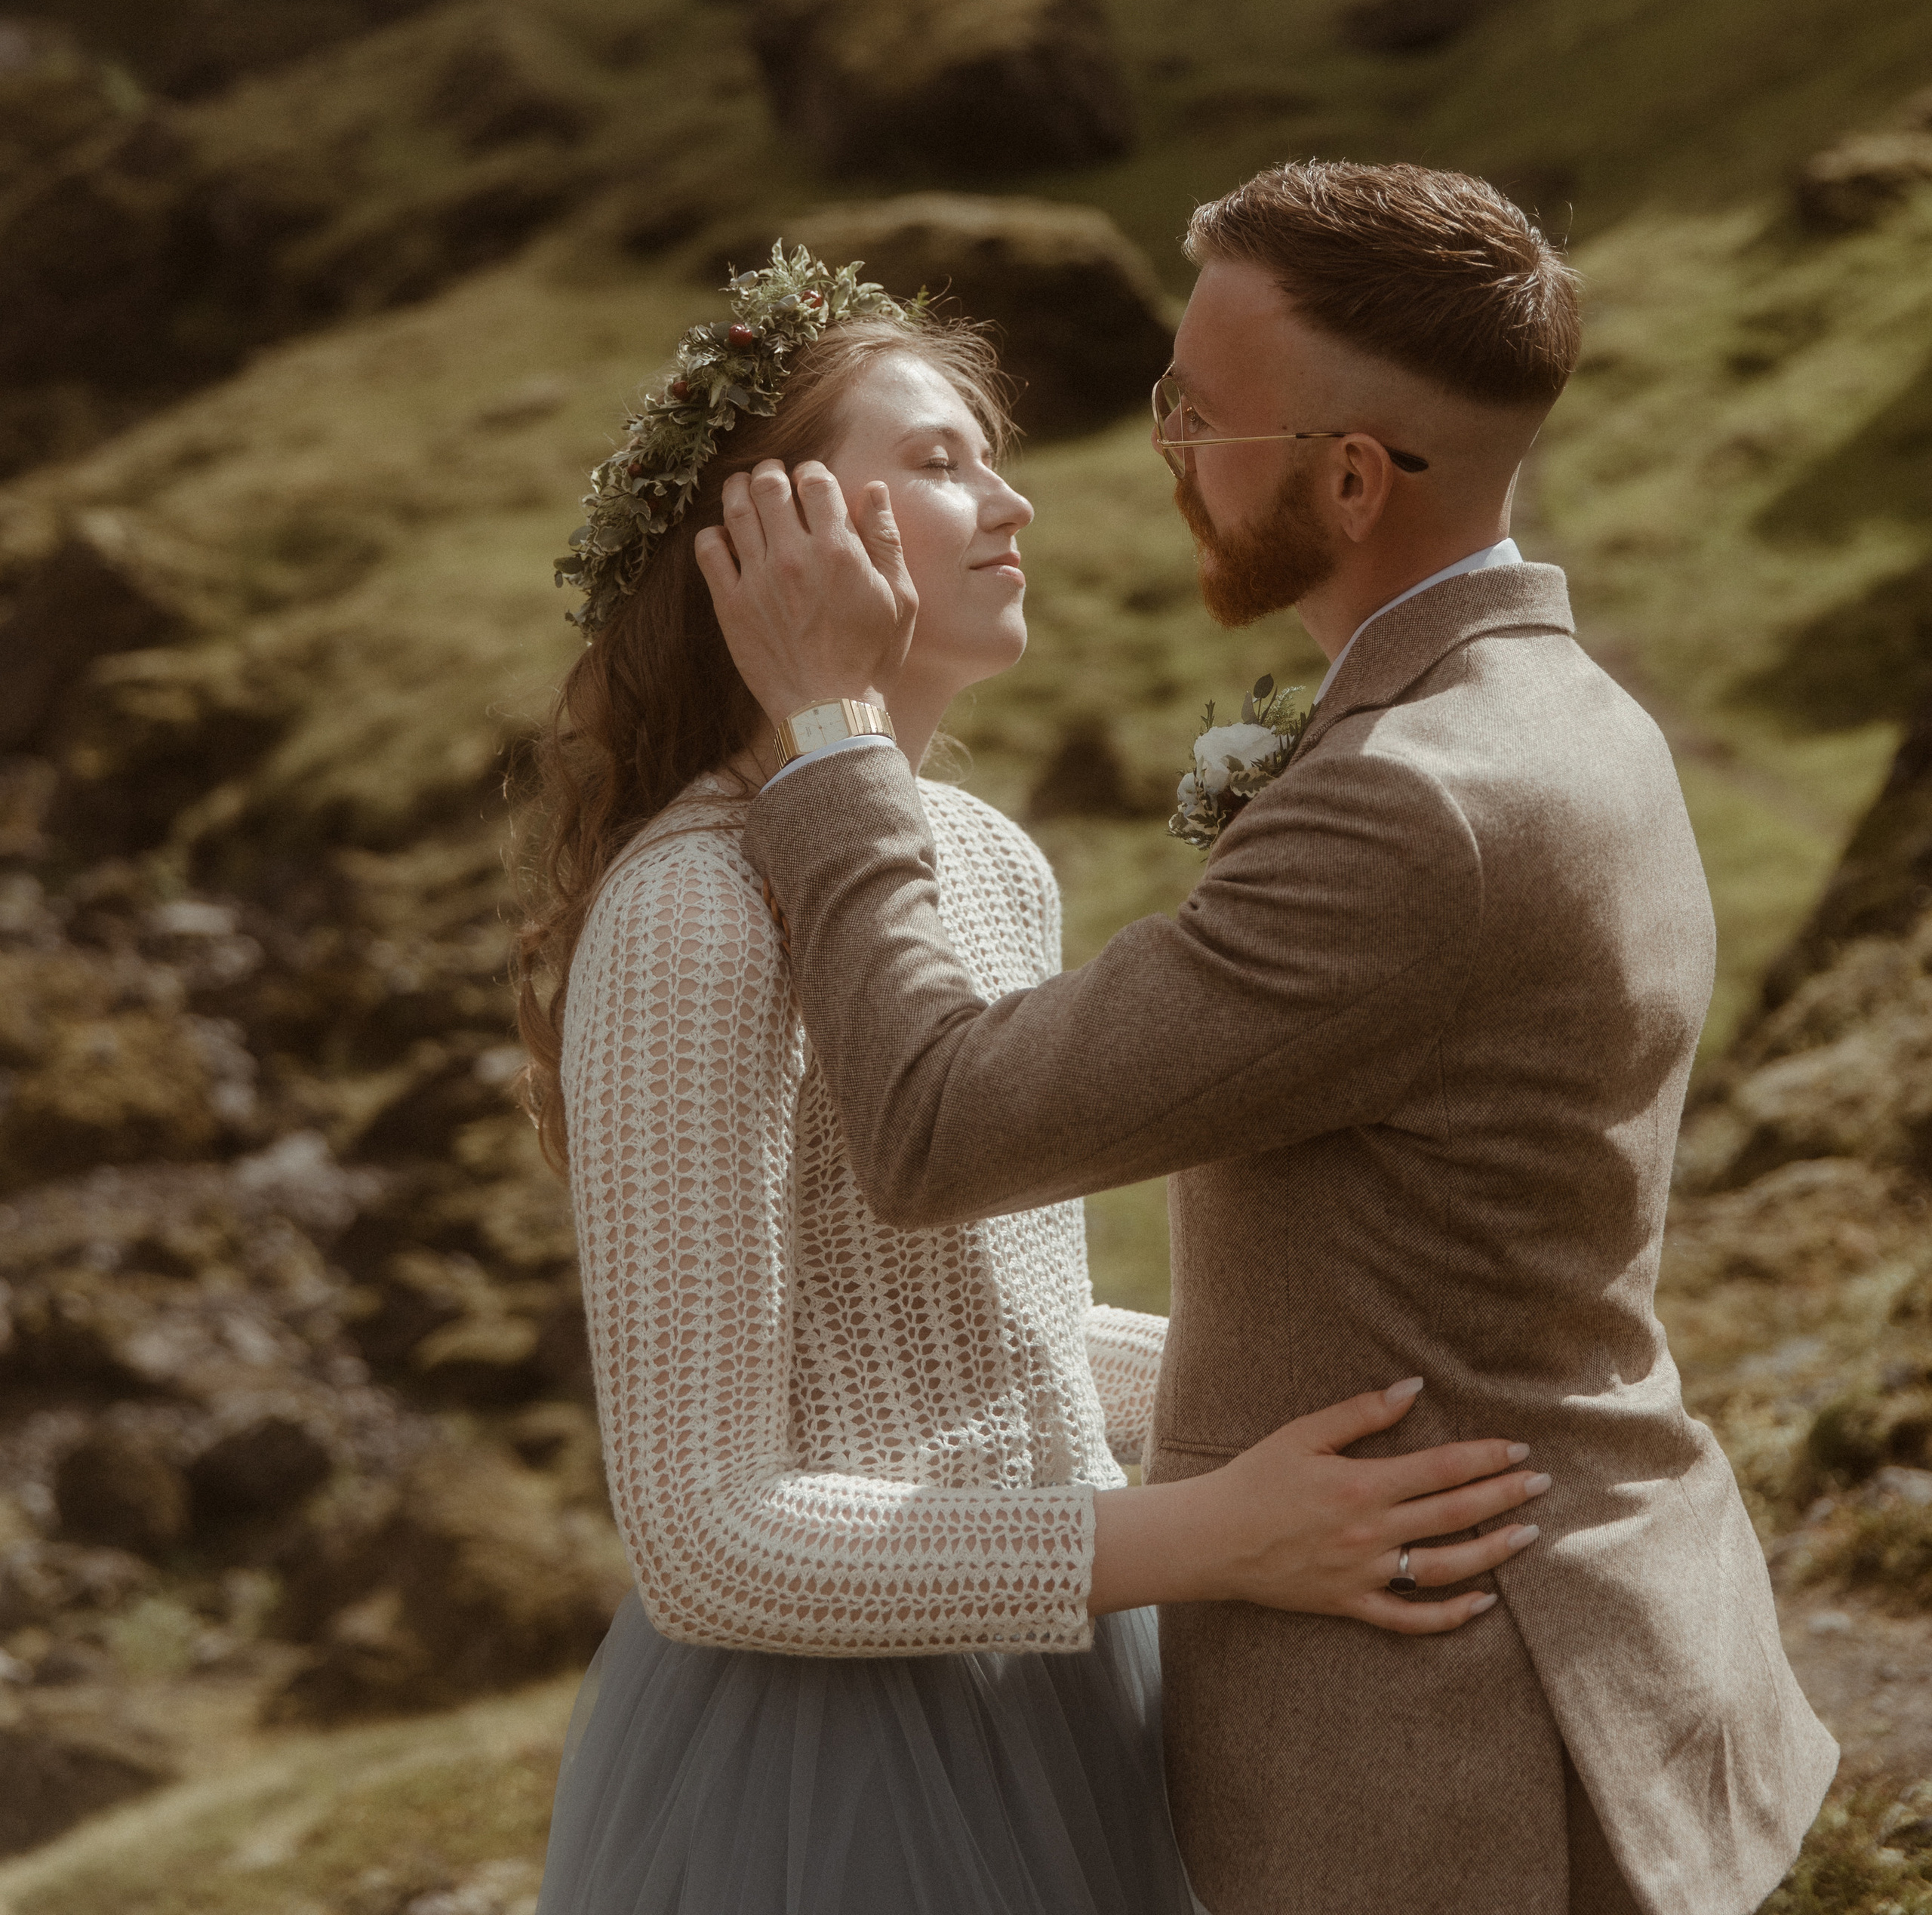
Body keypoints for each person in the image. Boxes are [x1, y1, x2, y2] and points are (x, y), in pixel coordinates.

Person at [698, 167, 1839, 1915]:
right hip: (1614, 1622)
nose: (1163, 452)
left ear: (1348, 479)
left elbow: (931, 1129)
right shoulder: (1565, 712)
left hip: (1444, 1744)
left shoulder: (1410, 803)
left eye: (1197, 416)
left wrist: (828, 733)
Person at [518, 242, 1549, 1915]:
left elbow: (1002, 1337)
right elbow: (706, 1542)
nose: (1013, 505)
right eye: (940, 463)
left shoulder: (989, 862)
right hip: (821, 1775)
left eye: (990, 458)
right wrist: (1218, 1536)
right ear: (772, 536)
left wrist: (1371, 1390)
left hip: (1061, 1686)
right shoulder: (686, 915)